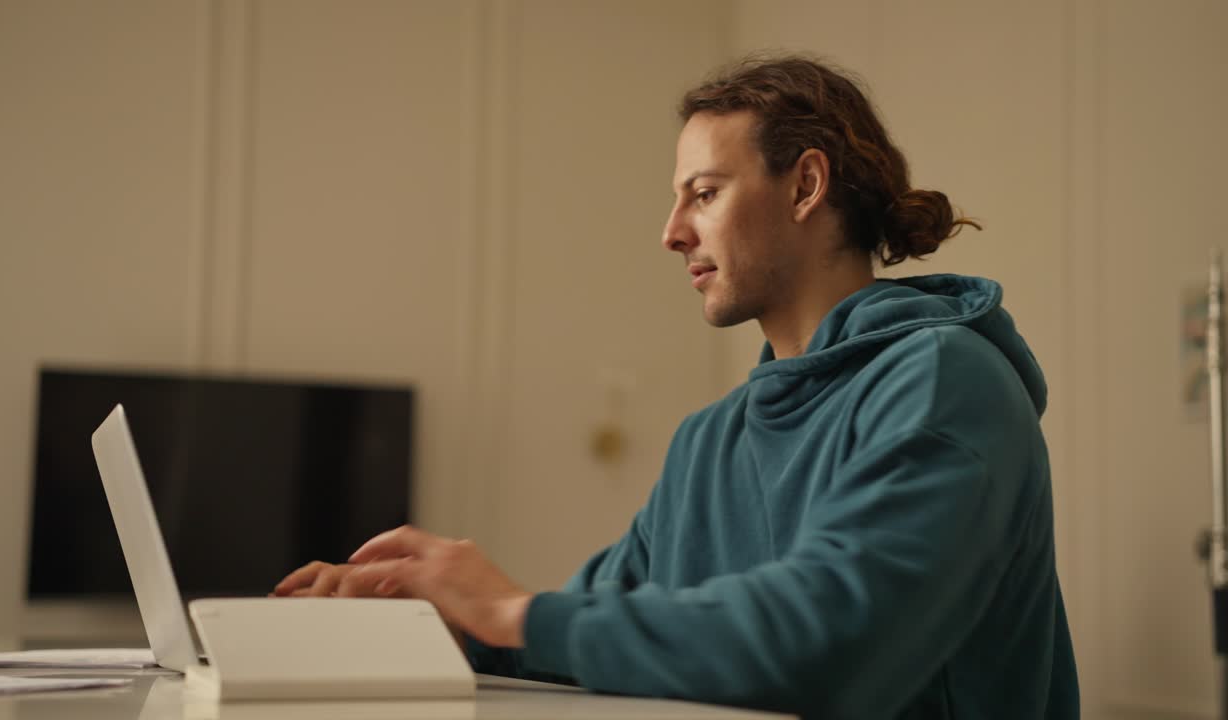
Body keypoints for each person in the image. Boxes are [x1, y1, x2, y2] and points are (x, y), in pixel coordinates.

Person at [273, 54, 1080, 719]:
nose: (671, 232)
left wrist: (509, 609)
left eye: (704, 193)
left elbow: (830, 645)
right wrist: (420, 615)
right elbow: (592, 633)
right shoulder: (711, 440)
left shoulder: (945, 382)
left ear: (805, 186)